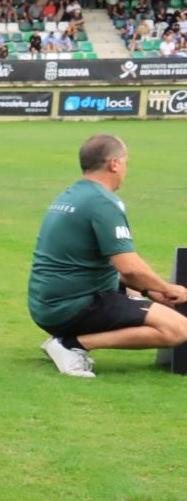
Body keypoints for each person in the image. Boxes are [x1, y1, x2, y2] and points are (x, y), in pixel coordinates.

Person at [29, 134, 187, 377]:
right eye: (125, 163)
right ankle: (71, 345)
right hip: (73, 306)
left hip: (47, 304)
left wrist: (147, 290)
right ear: (114, 164)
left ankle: (68, 341)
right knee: (178, 329)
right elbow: (130, 268)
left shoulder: (71, 195)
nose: (125, 169)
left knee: (136, 291)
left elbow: (97, 265)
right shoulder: (103, 202)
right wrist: (167, 289)